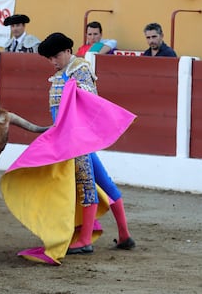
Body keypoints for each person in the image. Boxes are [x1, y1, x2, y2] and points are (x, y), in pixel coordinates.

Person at [38, 32, 135, 254]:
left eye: (56, 57)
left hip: (77, 138)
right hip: (68, 138)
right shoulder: (62, 73)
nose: (53, 62)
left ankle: (85, 239)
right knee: (104, 183)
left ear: (68, 52)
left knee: (86, 184)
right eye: (49, 59)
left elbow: (90, 100)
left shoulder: (79, 68)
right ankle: (124, 235)